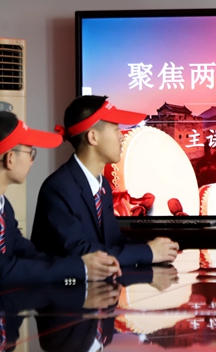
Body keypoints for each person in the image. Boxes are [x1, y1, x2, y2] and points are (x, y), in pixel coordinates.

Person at [31, 96, 179, 267]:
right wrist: (148, 252)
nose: (121, 137)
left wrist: (155, 248)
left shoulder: (102, 186)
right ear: (93, 137)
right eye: (116, 129)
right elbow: (82, 253)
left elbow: (113, 242)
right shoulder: (59, 188)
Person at [0, 111, 120, 284]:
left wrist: (80, 266)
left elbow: (28, 253)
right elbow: (4, 269)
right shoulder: (59, 186)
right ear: (10, 159)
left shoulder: (5, 208)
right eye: (31, 153)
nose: (32, 161)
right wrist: (80, 268)